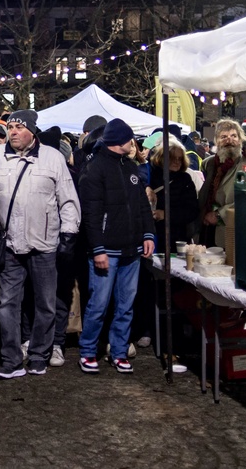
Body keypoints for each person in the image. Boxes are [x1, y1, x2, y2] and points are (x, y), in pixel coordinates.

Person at [0, 109, 80, 379]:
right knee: (7, 303)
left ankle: (38, 355)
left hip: (44, 243)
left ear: (32, 131)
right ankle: (11, 359)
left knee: (45, 303)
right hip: (9, 244)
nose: (12, 132)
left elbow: (67, 199)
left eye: (18, 127)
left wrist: (69, 233)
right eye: (10, 127)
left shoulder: (53, 158)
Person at [77, 119, 155, 375]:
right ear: (121, 140)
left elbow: (142, 205)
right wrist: (97, 249)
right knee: (98, 304)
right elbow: (90, 213)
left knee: (125, 305)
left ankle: (119, 351)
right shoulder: (95, 169)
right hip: (107, 250)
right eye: (130, 138)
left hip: (131, 249)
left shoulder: (130, 167)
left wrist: (147, 234)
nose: (133, 143)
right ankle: (88, 351)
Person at [197, 119, 246, 248]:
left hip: (233, 230)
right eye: (224, 137)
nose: (229, 140)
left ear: (240, 139)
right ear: (217, 140)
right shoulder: (208, 164)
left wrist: (219, 214)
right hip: (206, 229)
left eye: (233, 136)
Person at [147, 141, 200, 251]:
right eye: (172, 158)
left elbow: (192, 210)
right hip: (150, 236)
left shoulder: (185, 179)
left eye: (179, 158)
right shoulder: (149, 176)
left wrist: (165, 215)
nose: (176, 162)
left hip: (176, 238)